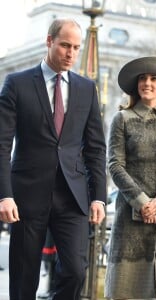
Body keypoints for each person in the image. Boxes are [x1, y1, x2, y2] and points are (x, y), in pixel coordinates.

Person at [0, 18, 107, 300]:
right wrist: (4, 195)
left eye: (76, 47)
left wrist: (99, 197)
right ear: (49, 42)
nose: (71, 53)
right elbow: (1, 144)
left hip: (72, 196)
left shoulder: (87, 89)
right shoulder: (17, 84)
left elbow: (96, 147)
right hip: (27, 195)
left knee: (75, 271)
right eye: (65, 45)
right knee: (24, 277)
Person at [104, 56, 156, 300]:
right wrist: (142, 203)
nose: (147, 83)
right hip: (130, 219)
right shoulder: (122, 119)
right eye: (142, 78)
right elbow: (115, 166)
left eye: (154, 78)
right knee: (124, 292)